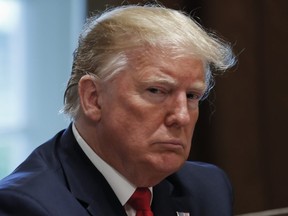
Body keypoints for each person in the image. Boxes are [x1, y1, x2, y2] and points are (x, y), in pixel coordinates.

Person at [0, 4, 235, 216]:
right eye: (156, 91)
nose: (182, 116)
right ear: (93, 98)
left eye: (192, 96)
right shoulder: (27, 205)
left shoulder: (208, 189)